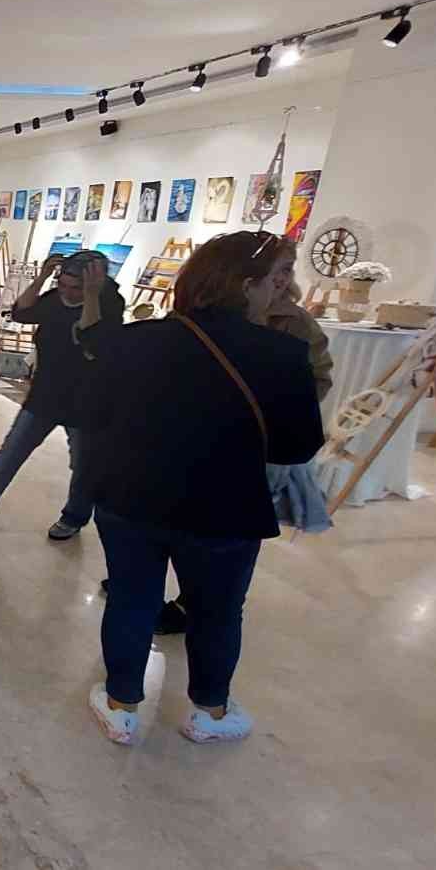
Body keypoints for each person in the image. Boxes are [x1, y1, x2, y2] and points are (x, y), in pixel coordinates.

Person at [84, 231, 323, 745]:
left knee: (131, 598)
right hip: (225, 508)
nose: (283, 288)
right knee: (217, 611)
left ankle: (121, 707)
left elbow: (94, 417)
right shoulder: (283, 354)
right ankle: (210, 713)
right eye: (276, 276)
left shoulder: (134, 340)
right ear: (245, 284)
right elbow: (296, 446)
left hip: (130, 496)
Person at [145, 249, 335, 635]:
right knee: (178, 518)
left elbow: (317, 379)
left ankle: (195, 603)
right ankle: (149, 584)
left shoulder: (295, 322)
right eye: (276, 270)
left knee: (231, 534)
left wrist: (275, 410)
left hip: (255, 443)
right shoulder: (205, 311)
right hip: (196, 434)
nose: (281, 278)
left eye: (287, 270)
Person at [0, 250, 125, 539]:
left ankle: (73, 518)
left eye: (76, 288)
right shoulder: (55, 299)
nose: (67, 293)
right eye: (63, 285)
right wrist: (42, 277)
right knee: (11, 452)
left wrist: (91, 297)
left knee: (83, 465)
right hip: (46, 393)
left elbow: (94, 341)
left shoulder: (110, 303)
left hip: (87, 401)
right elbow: (21, 313)